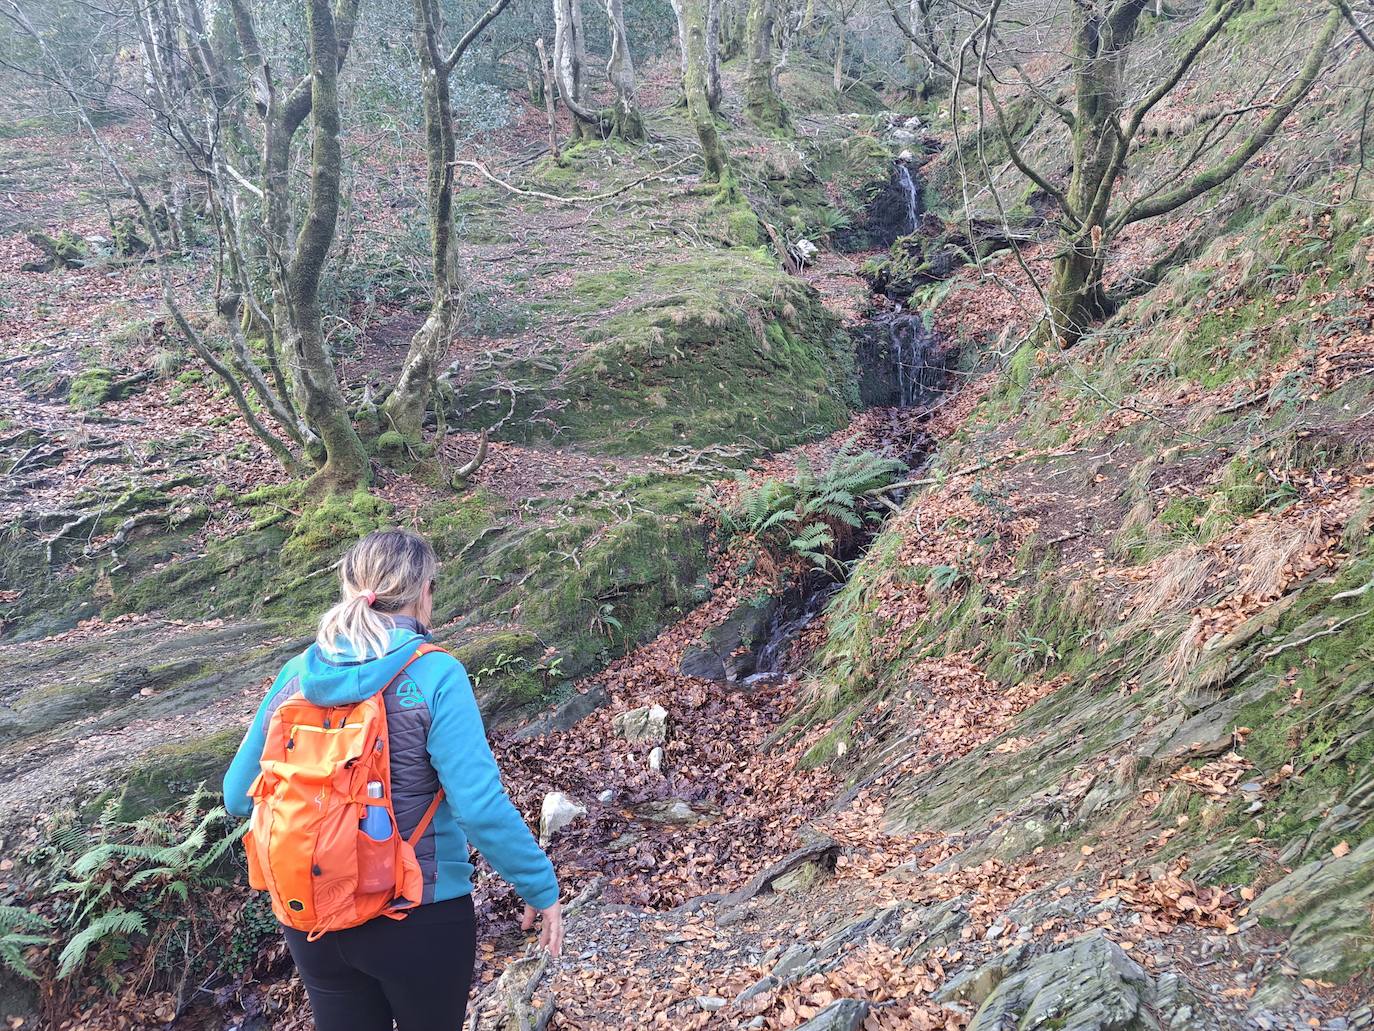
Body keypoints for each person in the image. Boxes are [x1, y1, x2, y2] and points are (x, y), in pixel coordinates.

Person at [223, 528, 562, 1031]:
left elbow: (236, 795)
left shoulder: (298, 673)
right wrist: (539, 887)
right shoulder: (435, 674)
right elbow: (480, 808)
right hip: (416, 913)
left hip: (310, 911)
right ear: (423, 592)